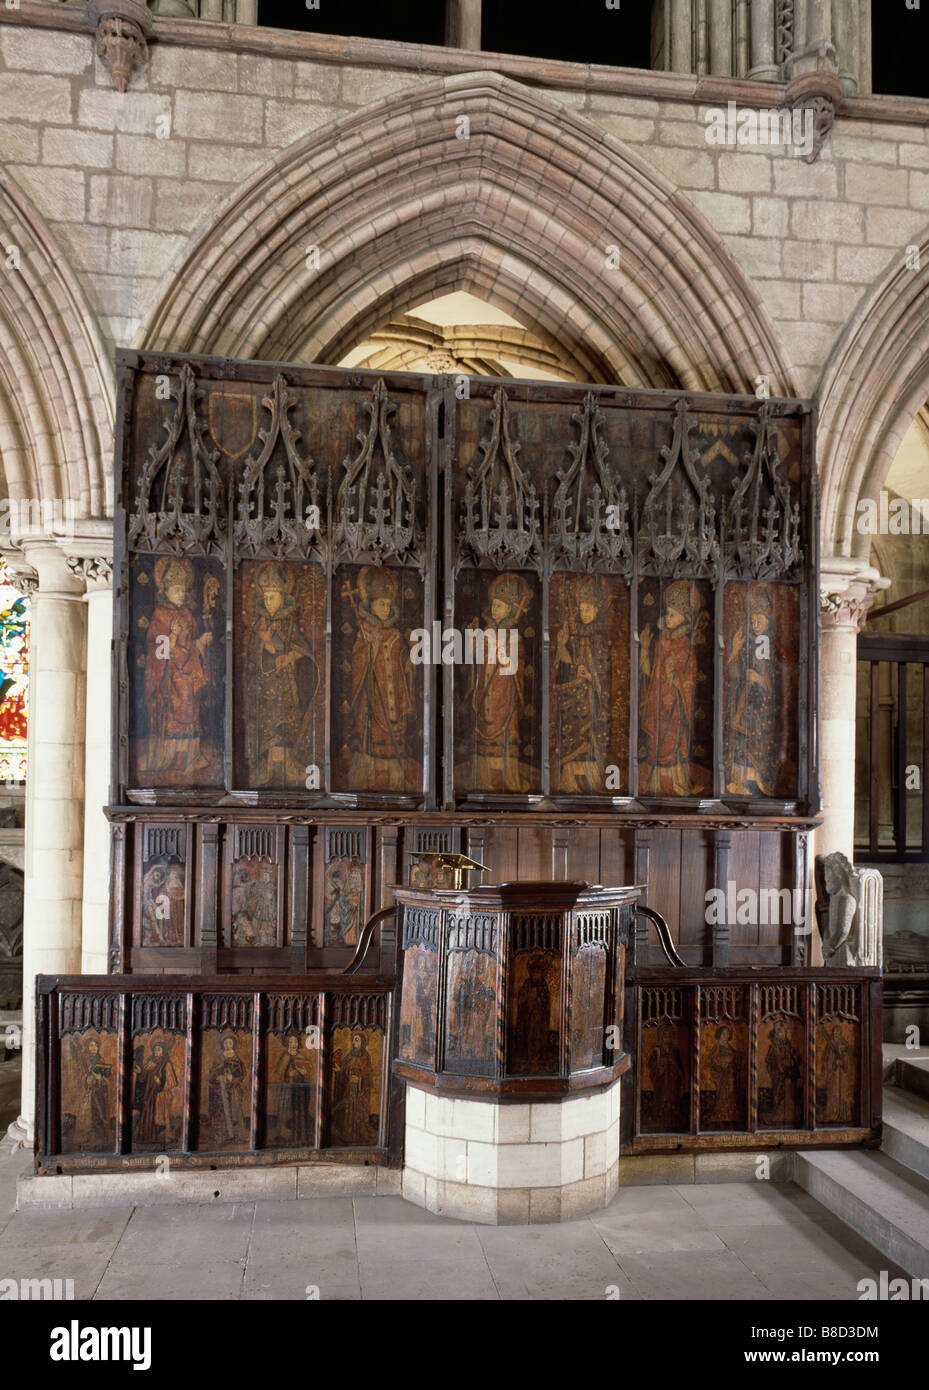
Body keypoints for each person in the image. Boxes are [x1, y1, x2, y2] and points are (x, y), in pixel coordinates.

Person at [342, 567, 419, 791]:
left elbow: (405, 665)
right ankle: (370, 779)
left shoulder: (396, 635)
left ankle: (396, 780)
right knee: (373, 736)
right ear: (370, 605)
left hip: (394, 696)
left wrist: (410, 657)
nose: (385, 609)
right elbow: (357, 664)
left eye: (387, 604)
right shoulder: (364, 633)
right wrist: (370, 649)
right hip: (374, 696)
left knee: (395, 736)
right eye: (380, 604)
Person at [140, 556, 216, 780]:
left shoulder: (187, 615)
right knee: (174, 713)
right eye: (176, 590)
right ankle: (168, 757)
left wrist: (201, 643)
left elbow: (191, 642)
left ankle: (190, 757)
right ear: (166, 590)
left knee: (191, 714)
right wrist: (171, 636)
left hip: (188, 673)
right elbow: (159, 650)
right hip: (169, 675)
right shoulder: (160, 614)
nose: (180, 594)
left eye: (183, 591)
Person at [246, 561, 319, 785]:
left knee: (287, 723)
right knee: (267, 723)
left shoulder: (289, 625)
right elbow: (252, 654)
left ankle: (287, 764)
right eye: (266, 597)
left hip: (287, 685)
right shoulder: (259, 626)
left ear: (283, 598)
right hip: (265, 688)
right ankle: (268, 766)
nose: (269, 602)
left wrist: (290, 656)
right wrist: (265, 645)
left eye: (273, 597)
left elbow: (303, 649)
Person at [638, 579, 710, 796]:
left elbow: (689, 680)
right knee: (656, 745)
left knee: (672, 745)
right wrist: (644, 650)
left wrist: (676, 680)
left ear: (684, 618)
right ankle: (655, 783)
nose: (668, 618)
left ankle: (677, 783)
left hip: (675, 707)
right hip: (657, 702)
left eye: (673, 614)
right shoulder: (660, 642)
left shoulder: (687, 647)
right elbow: (650, 674)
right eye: (667, 613)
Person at [551, 575, 612, 793]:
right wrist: (561, 645)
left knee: (590, 739)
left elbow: (604, 676)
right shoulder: (574, 637)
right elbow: (566, 667)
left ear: (597, 610)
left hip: (590, 702)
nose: (583, 613)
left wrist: (590, 676)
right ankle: (569, 782)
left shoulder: (600, 641)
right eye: (581, 609)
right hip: (572, 702)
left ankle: (593, 783)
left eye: (588, 609)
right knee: (571, 737)